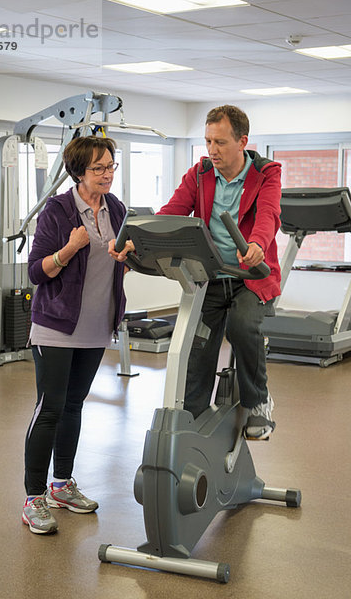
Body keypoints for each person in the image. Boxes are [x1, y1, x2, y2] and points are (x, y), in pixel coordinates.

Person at [110, 105, 281, 441]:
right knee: (197, 342)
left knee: (243, 326)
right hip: (211, 275)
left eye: (220, 142)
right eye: (207, 141)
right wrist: (137, 240)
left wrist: (257, 243)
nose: (212, 150)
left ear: (242, 141)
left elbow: (269, 214)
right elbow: (171, 212)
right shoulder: (200, 173)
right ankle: (192, 411)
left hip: (251, 276)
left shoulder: (266, 173)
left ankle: (259, 402)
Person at [22, 135, 127, 534]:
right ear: (79, 172)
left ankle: (62, 484)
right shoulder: (58, 211)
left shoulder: (115, 208)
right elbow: (36, 272)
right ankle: (34, 498)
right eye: (99, 168)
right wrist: (69, 249)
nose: (107, 174)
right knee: (49, 407)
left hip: (97, 325)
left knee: (74, 405)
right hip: (56, 326)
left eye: (111, 166)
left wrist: (128, 255)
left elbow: (121, 258)